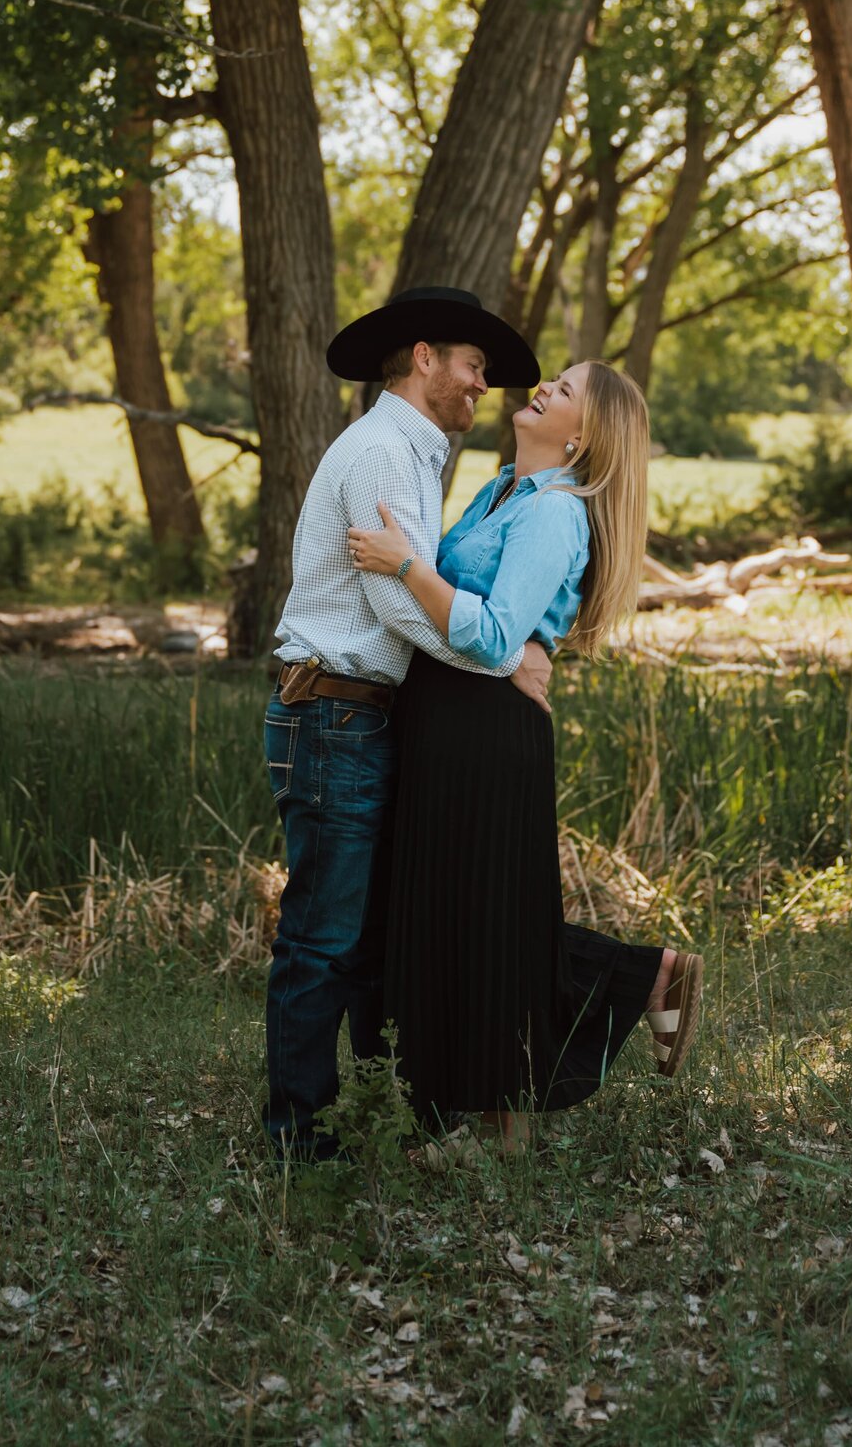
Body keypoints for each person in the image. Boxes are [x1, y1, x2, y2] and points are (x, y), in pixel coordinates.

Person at [348, 359, 703, 1148]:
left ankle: (498, 1123)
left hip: (487, 731)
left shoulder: (555, 513)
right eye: (557, 378)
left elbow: (495, 632)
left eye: (565, 391)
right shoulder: (501, 488)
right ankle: (639, 984)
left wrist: (403, 563)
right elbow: (478, 611)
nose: (544, 387)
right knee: (456, 915)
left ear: (580, 440)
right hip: (446, 717)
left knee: (487, 920)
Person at [263, 285, 548, 1162]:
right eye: (472, 367)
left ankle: (375, 1117)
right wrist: (510, 657)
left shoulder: (415, 451)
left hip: (361, 717)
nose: (482, 386)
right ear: (424, 358)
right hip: (335, 714)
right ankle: (297, 1139)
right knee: (325, 940)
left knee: (372, 940)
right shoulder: (387, 453)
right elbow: (400, 607)